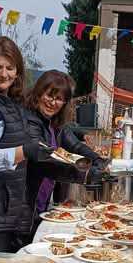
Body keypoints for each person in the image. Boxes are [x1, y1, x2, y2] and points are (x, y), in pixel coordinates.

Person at [0, 37, 86, 263]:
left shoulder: (8, 101)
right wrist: (24, 151)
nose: (4, 74)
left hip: (3, 205)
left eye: (9, 67)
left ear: (17, 71)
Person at [24, 70, 107, 223]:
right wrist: (85, 174)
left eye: (59, 99)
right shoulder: (30, 121)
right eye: (49, 95)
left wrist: (97, 159)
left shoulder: (54, 122)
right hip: (26, 203)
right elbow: (43, 162)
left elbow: (75, 146)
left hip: (42, 199)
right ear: (38, 93)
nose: (53, 102)